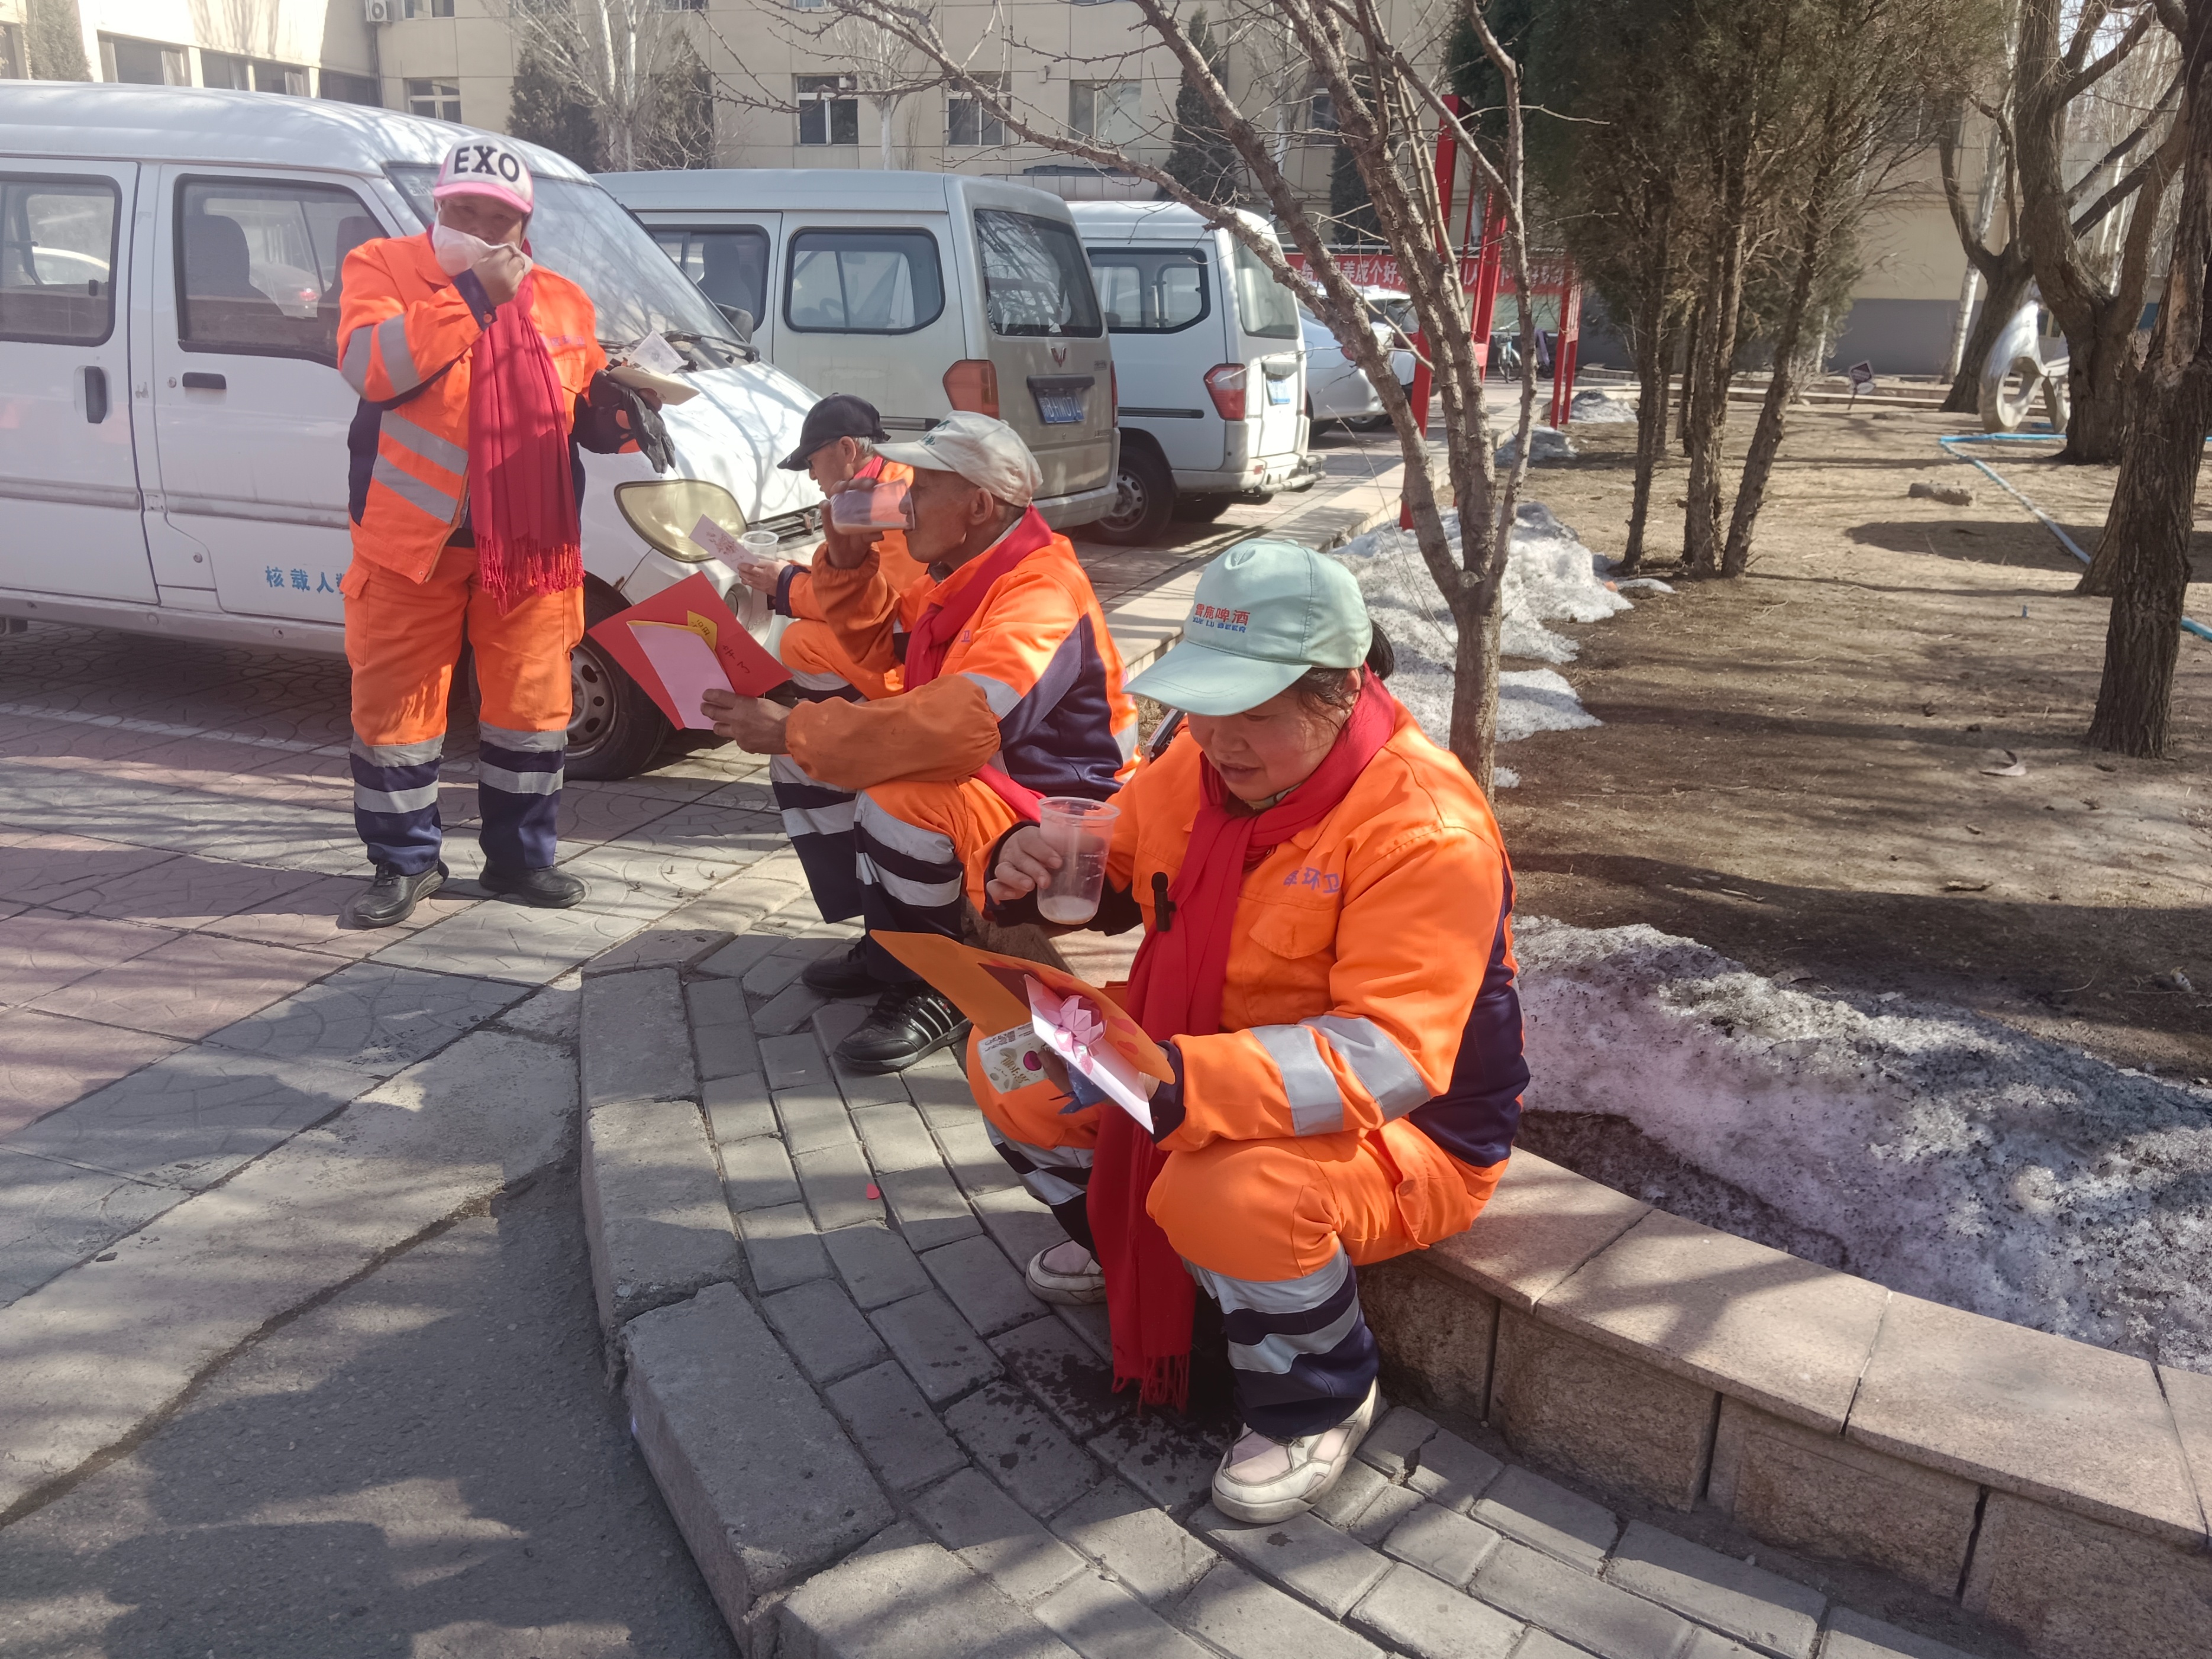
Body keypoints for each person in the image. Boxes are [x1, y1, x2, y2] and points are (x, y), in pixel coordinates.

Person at [978, 540, 1526, 1525]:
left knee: (1228, 1191)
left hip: (1405, 1128)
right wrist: (1038, 858)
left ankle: (1316, 1396)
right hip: (1197, 1060)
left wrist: (1177, 1082)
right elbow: (1121, 857)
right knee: (1010, 1071)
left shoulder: (1423, 829)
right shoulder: (1195, 764)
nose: (1220, 740)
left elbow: (1391, 1057)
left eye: (1255, 713)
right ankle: (1125, 1243)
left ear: (1340, 691)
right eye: (1202, 704)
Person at [703, 412, 1139, 1073]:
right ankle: (891, 944)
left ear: (979, 507)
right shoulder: (963, 573)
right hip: (1000, 783)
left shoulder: (1041, 591)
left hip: (1064, 822)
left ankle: (937, 984)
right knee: (806, 763)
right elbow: (886, 650)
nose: (904, 503)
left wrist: (792, 726)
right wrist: (845, 560)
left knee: (896, 799)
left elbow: (961, 724)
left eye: (923, 488)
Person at [334, 137, 653, 928]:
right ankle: (404, 864)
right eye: (463, 211)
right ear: (437, 207)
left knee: (531, 711)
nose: (479, 228)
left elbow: (575, 407)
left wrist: (621, 413)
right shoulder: (382, 268)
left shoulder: (564, 300)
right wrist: (473, 296)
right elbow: (372, 368)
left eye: (497, 218)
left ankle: (520, 860)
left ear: (524, 226)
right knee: (397, 718)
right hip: (412, 545)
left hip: (530, 549)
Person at [739, 395, 933, 919]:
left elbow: (881, 606)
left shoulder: (886, 496)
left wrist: (786, 584)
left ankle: (846, 753)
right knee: (802, 642)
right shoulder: (885, 487)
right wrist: (798, 578)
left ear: (847, 449)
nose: (810, 476)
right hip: (922, 660)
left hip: (918, 673)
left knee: (800, 645)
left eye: (812, 461)